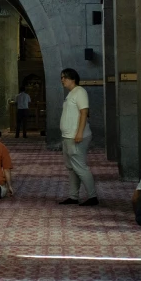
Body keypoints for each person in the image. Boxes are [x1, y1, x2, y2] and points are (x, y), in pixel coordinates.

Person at [58, 68, 98, 206]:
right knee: (72, 167)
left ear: (72, 79)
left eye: (64, 77)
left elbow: (84, 112)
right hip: (68, 136)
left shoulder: (80, 91)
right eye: (61, 77)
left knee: (80, 167)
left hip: (76, 136)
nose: (62, 80)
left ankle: (93, 197)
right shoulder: (71, 94)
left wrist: (79, 133)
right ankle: (73, 196)